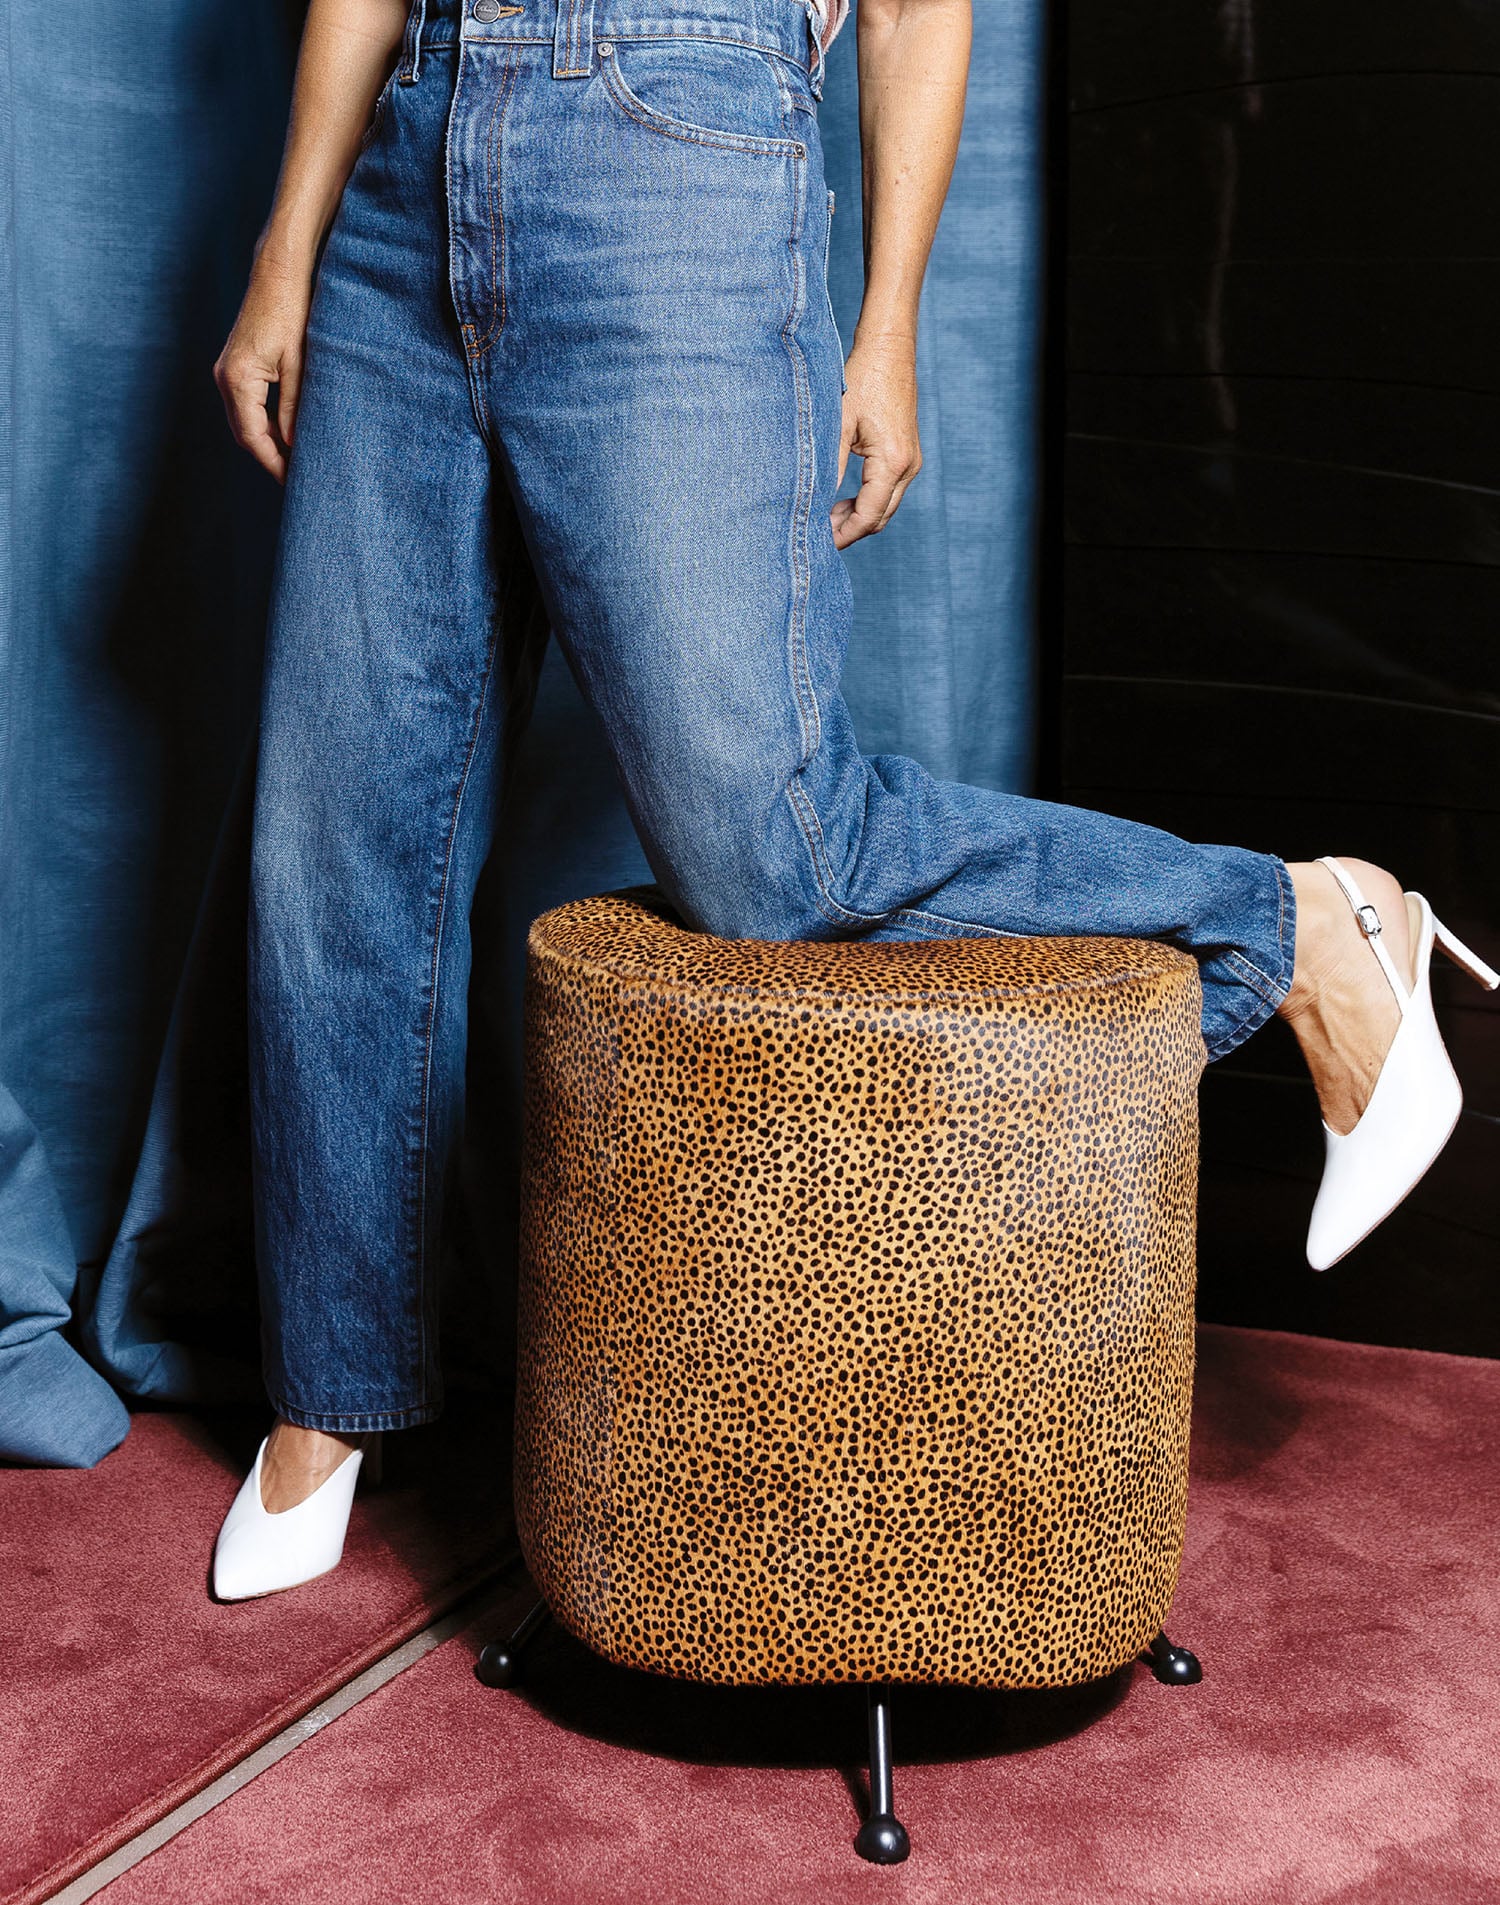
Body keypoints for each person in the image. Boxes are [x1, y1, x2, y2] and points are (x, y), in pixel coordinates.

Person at [207, 0, 1496, 1600]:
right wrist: (288, 243)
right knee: (331, 836)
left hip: (672, 130)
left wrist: (883, 319)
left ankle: (1301, 919)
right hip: (407, 143)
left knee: (774, 847)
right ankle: (333, 1392)